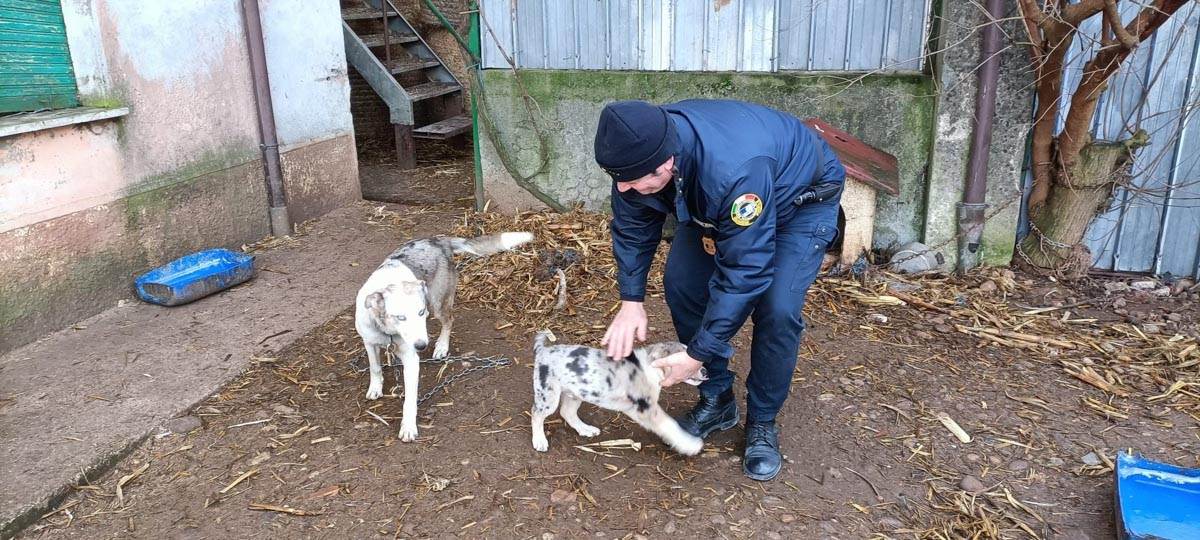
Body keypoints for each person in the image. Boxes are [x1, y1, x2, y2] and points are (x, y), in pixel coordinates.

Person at [593, 99, 844, 481]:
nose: (623, 188)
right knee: (682, 283)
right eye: (618, 179)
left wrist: (697, 353)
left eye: (632, 180)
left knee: (777, 307)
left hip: (800, 202)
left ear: (666, 163)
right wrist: (631, 301)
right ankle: (718, 398)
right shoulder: (636, 159)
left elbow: (746, 271)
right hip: (710, 200)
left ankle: (761, 421)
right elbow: (631, 228)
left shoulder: (733, 171)